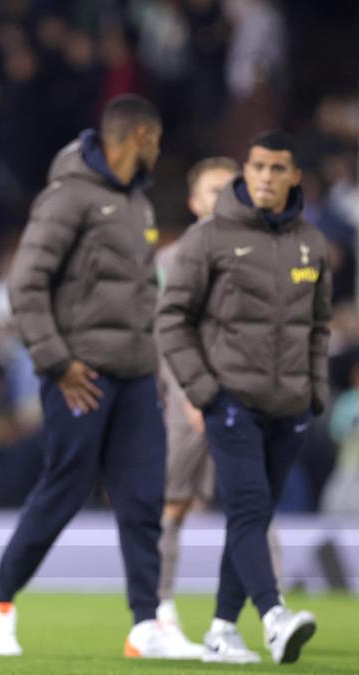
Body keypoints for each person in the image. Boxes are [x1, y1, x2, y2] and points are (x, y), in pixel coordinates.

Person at [0, 94, 200, 660]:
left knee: (144, 496)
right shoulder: (68, 197)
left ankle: (146, 624)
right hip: (81, 374)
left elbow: (142, 297)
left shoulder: (137, 203)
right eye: (157, 141)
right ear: (139, 137)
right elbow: (26, 284)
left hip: (137, 376)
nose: (159, 152)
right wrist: (57, 362)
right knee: (66, 488)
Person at [157, 131, 326, 665]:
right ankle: (274, 617)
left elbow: (319, 326)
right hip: (230, 400)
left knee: (252, 517)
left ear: (295, 176)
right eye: (257, 166)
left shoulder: (313, 243)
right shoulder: (207, 240)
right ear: (245, 173)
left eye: (278, 168)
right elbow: (171, 319)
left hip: (290, 406)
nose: (265, 177)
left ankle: (222, 629)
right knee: (250, 508)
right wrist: (204, 389)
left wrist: (315, 390)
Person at [153, 156, 273, 657]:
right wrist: (186, 391)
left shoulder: (258, 253)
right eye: (213, 189)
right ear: (194, 201)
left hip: (245, 394)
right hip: (190, 398)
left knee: (257, 500)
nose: (223, 196)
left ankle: (274, 611)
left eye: (231, 187)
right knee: (175, 504)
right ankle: (158, 611)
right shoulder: (171, 260)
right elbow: (164, 333)